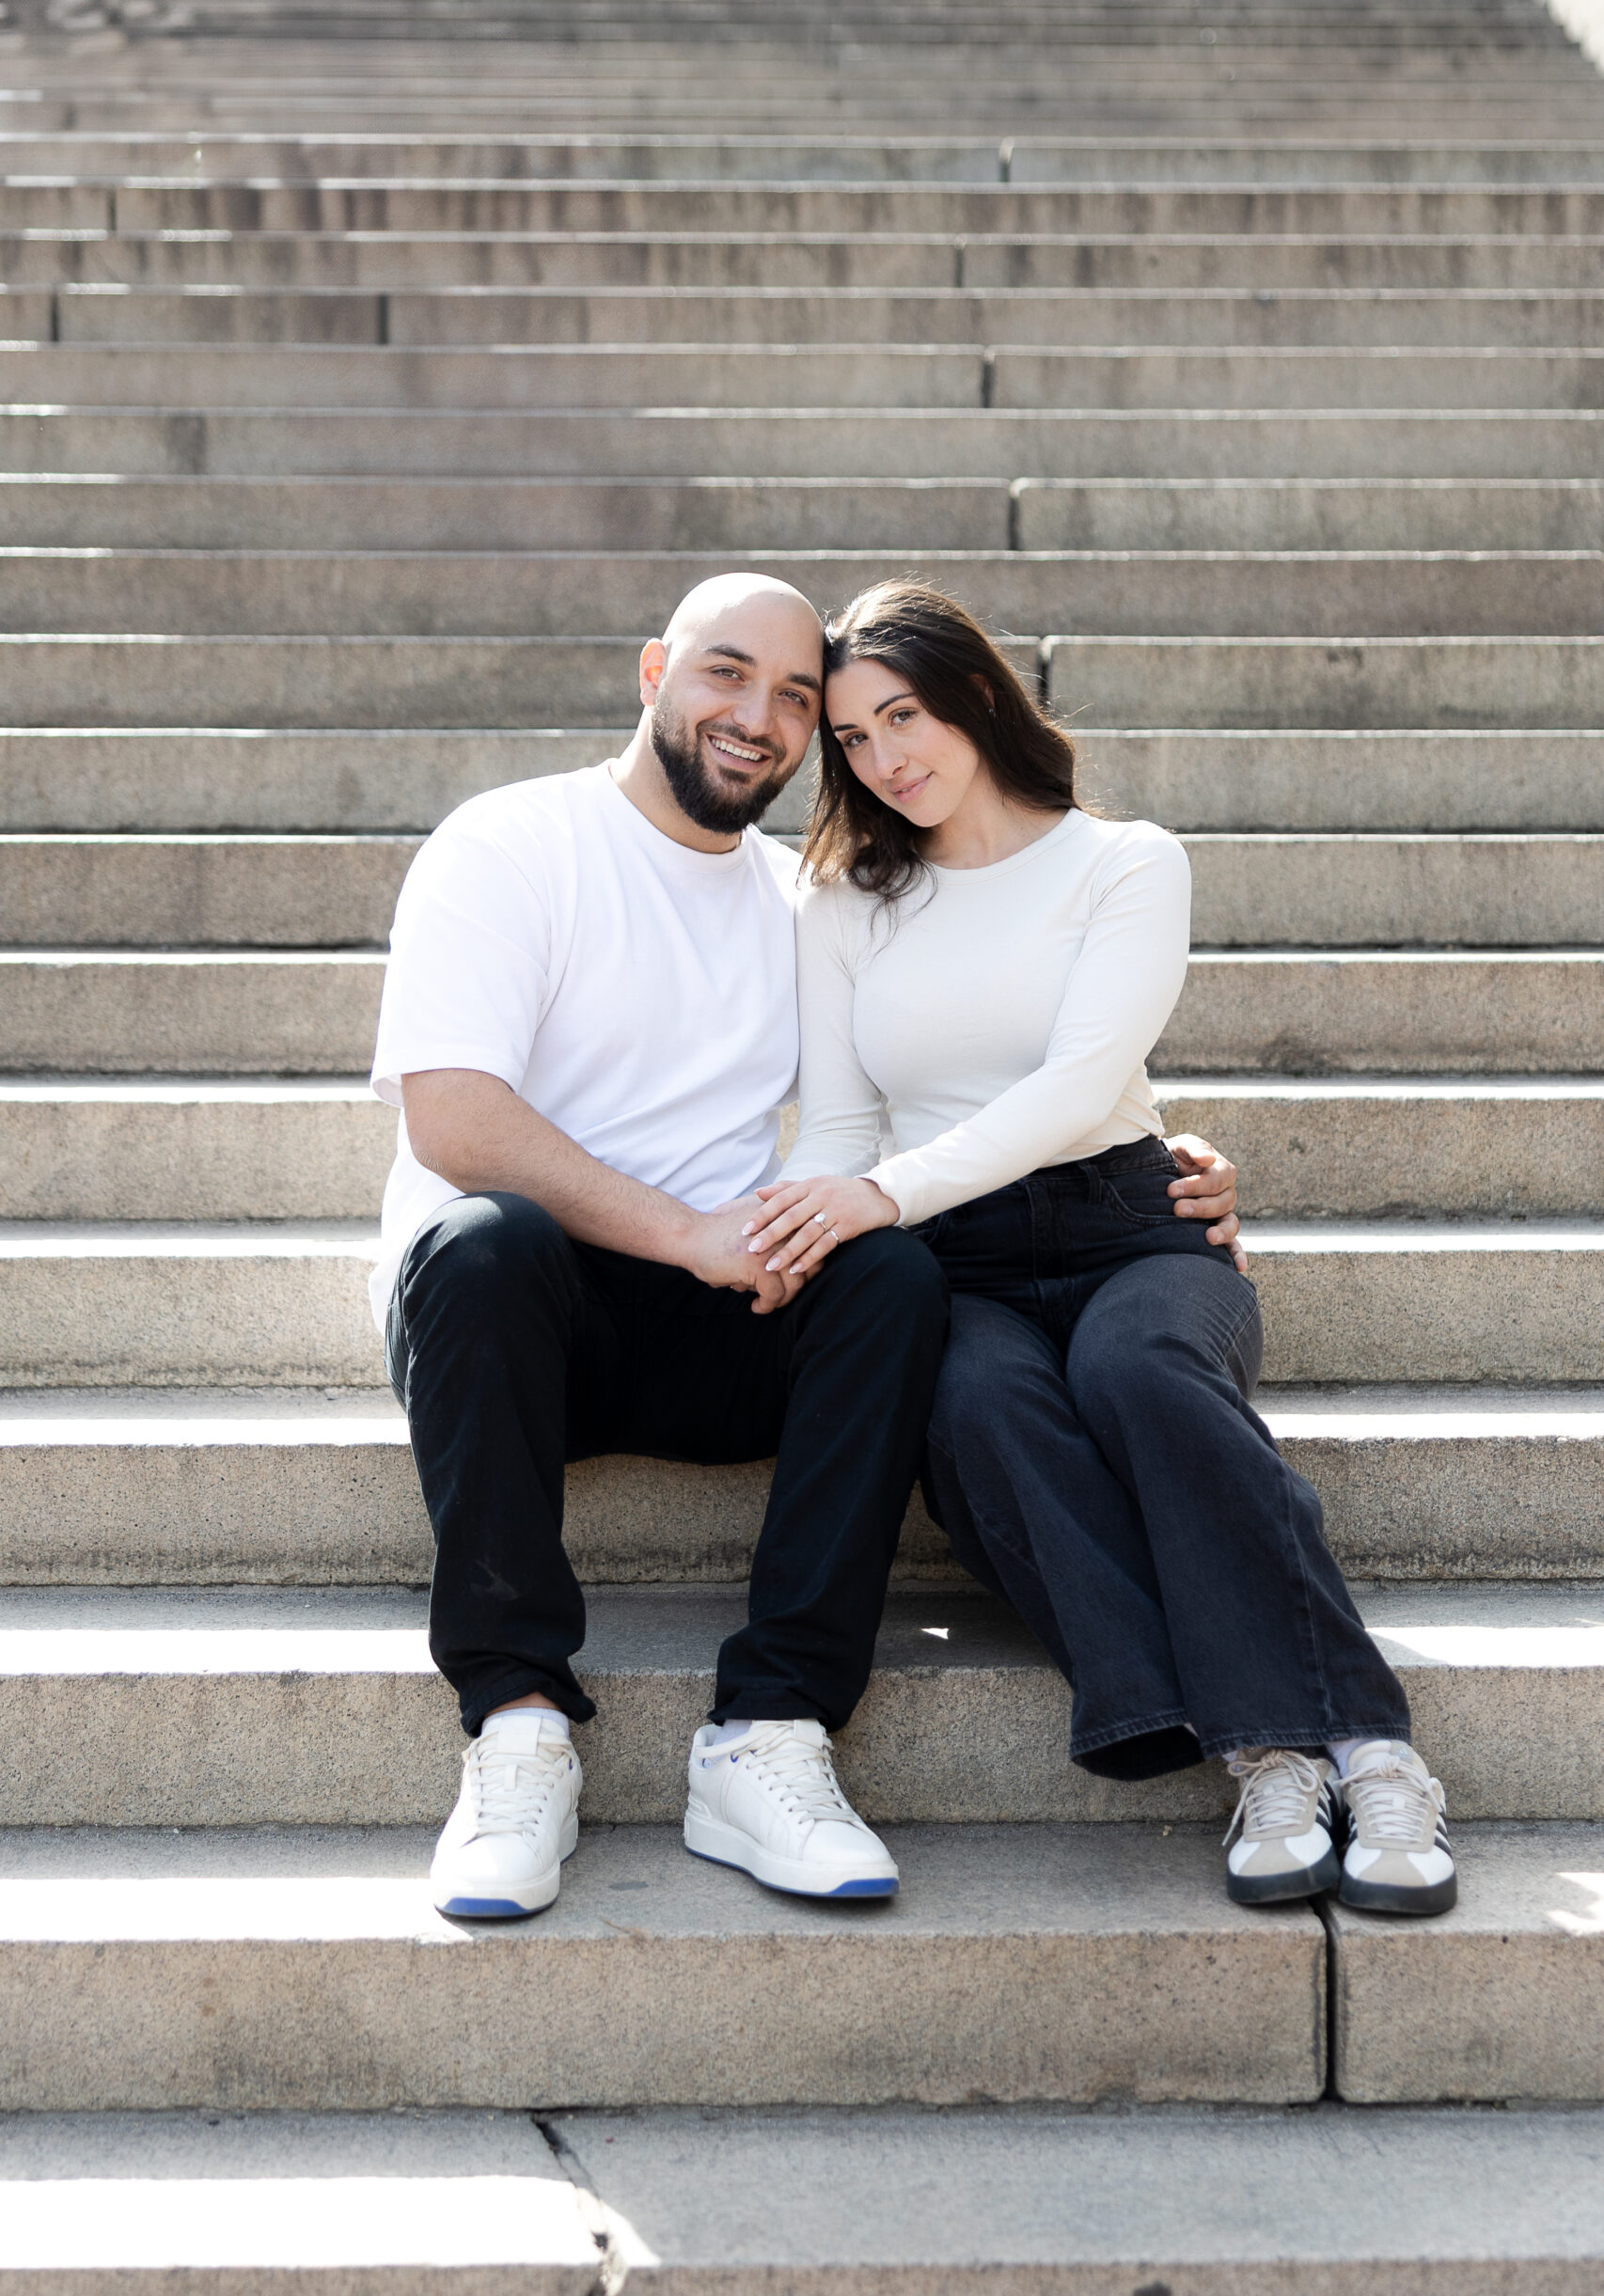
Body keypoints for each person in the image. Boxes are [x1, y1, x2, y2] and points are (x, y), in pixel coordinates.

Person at [370, 573, 1245, 1920]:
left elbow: (938, 1078)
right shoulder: (509, 844)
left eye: (795, 699)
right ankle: (516, 1721)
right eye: (726, 673)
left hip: (731, 1306)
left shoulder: (811, 898)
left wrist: (1155, 1158)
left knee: (888, 1277)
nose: (758, 718)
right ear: (654, 667)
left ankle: (769, 1733)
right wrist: (682, 1234)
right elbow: (454, 1121)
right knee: (485, 1242)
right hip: (521, 1324)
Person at [747, 580, 1456, 1918]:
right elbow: (837, 1122)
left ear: (971, 697)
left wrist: (878, 1196)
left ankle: (1372, 1750)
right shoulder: (842, 901)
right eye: (848, 738)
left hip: (1132, 1223)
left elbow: (1083, 1085)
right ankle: (1265, 1751)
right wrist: (795, 1226)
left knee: (1138, 1377)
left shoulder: (1124, 861)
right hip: (951, 1260)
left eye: (902, 715)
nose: (882, 757)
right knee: (973, 1406)